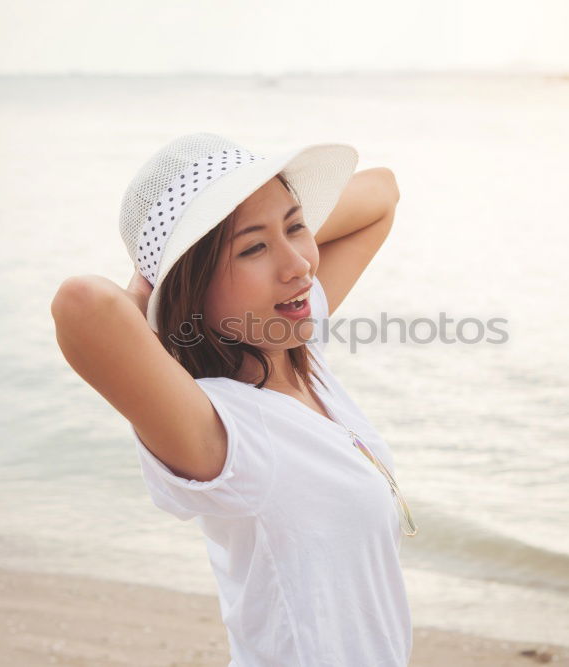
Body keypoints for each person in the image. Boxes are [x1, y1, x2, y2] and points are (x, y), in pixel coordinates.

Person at [50, 132, 416, 666]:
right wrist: (161, 282)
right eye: (252, 249)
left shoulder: (293, 341)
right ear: (193, 287)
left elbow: (382, 193)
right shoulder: (227, 430)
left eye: (299, 227)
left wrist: (265, 229)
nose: (300, 266)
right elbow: (83, 304)